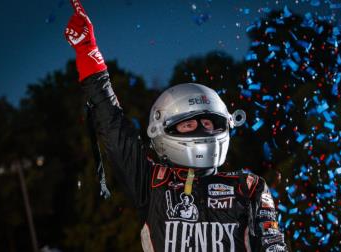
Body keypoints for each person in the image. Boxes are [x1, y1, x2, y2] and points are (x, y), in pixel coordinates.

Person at [64, 0, 288, 251]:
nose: (201, 129)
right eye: (188, 124)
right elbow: (114, 128)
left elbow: (273, 245)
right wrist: (87, 50)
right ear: (162, 132)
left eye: (207, 122)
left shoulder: (248, 187)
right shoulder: (151, 182)